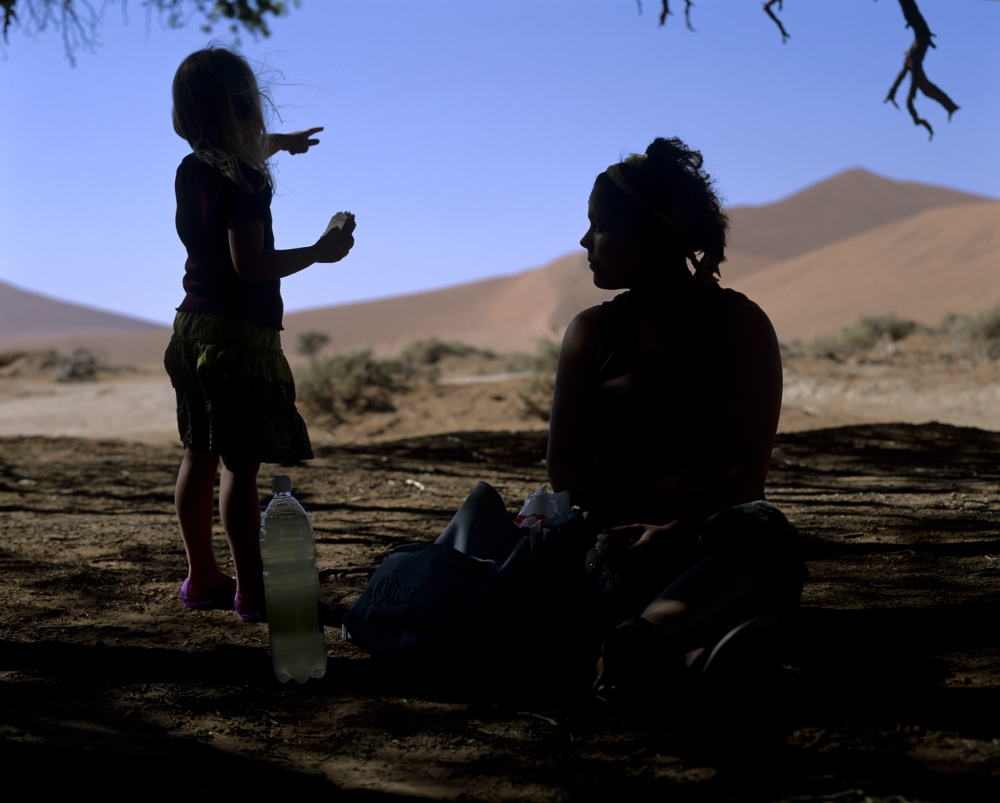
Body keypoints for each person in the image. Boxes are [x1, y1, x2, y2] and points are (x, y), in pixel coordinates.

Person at [546, 137, 804, 703]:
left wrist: (673, 529)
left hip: (709, 540)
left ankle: (642, 643)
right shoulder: (591, 333)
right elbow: (564, 471)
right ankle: (681, 657)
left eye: (599, 226)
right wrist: (649, 496)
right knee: (581, 564)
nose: (585, 241)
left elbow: (746, 480)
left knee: (759, 527)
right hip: (614, 546)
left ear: (649, 234)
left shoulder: (740, 326)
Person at [165, 47, 355, 622]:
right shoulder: (246, 180)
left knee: (200, 455)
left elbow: (232, 156)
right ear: (246, 104)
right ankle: (253, 590)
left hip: (190, 330)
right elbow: (252, 263)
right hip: (236, 341)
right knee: (240, 467)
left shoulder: (193, 168)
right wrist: (320, 254)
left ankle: (201, 578)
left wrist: (282, 144)